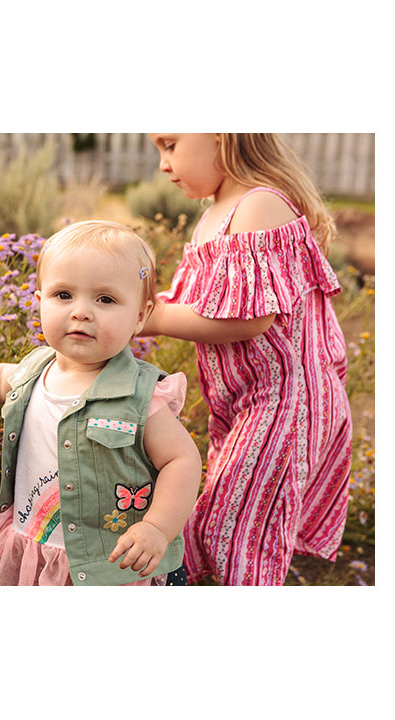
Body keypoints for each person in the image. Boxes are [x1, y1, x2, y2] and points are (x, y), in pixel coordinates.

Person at [0, 220, 202, 586]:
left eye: (106, 299)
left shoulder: (139, 395)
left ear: (141, 317)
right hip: (36, 545)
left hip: (111, 562)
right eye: (63, 295)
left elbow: (182, 460)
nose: (81, 312)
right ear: (40, 302)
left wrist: (157, 528)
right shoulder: (33, 372)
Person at [145, 133, 352, 585]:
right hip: (248, 402)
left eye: (170, 144)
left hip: (286, 402)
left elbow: (250, 319)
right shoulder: (216, 215)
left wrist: (153, 318)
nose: (163, 164)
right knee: (226, 518)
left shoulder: (259, 206)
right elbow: (197, 301)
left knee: (237, 530)